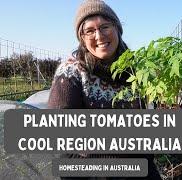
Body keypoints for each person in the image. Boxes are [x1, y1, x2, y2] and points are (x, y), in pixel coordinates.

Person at [48, 0, 161, 179]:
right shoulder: (71, 72)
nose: (99, 36)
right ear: (82, 38)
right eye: (90, 31)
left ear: (117, 28)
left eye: (105, 27)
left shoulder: (138, 71)